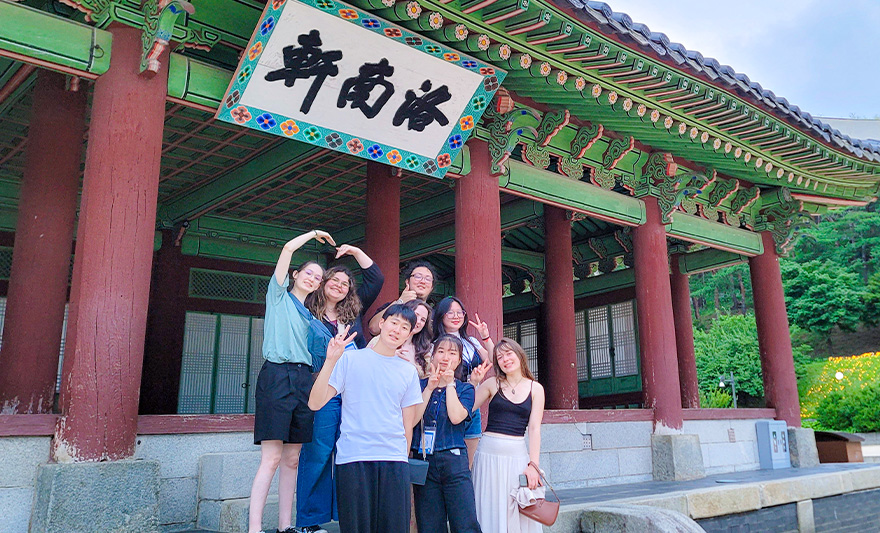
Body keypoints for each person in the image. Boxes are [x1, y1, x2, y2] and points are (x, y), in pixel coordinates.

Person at [309, 305, 424, 533]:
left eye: (405, 327)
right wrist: (330, 361)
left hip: (394, 460)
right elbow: (315, 403)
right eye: (394, 322)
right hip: (354, 457)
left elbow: (408, 424)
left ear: (409, 334)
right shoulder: (350, 359)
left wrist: (403, 459)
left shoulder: (408, 371)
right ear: (381, 324)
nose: (397, 330)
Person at [249, 229, 335, 533]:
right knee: (271, 458)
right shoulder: (278, 297)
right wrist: (313, 234)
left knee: (293, 458)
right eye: (308, 273)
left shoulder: (312, 318)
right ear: (295, 275)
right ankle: (254, 528)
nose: (313, 279)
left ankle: (285, 526)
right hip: (277, 375)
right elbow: (286, 249)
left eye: (318, 278)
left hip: (303, 379)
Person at [296, 245, 384, 533]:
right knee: (319, 452)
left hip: (354, 393)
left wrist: (356, 251)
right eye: (334, 280)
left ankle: (348, 515)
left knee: (351, 453)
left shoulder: (353, 313)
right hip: (323, 390)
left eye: (345, 283)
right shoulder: (305, 312)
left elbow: (376, 278)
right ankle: (308, 520)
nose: (339, 285)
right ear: (323, 283)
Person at [410, 335, 489, 533]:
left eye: (452, 353)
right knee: (429, 524)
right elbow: (412, 420)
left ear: (459, 360)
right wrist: (430, 388)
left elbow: (456, 417)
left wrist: (450, 384)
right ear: (432, 356)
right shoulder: (418, 385)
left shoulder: (465, 389)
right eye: (441, 351)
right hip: (424, 460)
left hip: (454, 460)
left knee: (465, 523)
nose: (446, 357)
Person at [471, 338, 545, 533]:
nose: (505, 359)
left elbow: (534, 429)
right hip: (487, 456)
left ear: (519, 355)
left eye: (509, 353)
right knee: (487, 506)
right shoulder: (492, 384)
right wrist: (473, 383)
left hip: (517, 457)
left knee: (515, 511)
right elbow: (465, 409)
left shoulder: (535, 388)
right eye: (500, 357)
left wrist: (534, 465)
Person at [432, 296, 494, 465]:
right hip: (446, 403)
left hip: (471, 402)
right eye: (450, 312)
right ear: (441, 316)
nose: (456, 316)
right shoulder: (435, 344)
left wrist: (486, 337)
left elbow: (493, 360)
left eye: (460, 312)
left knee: (469, 462)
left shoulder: (471, 342)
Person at [367, 260, 437, 336]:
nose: (423, 281)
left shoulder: (435, 316)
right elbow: (373, 329)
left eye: (428, 279)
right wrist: (400, 301)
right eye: (418, 276)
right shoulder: (394, 305)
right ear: (407, 282)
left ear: (432, 287)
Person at [394, 299, 433, 378]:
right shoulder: (383, 339)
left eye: (423, 320)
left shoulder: (424, 351)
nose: (418, 321)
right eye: (416, 315)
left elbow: (427, 380)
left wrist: (412, 366)